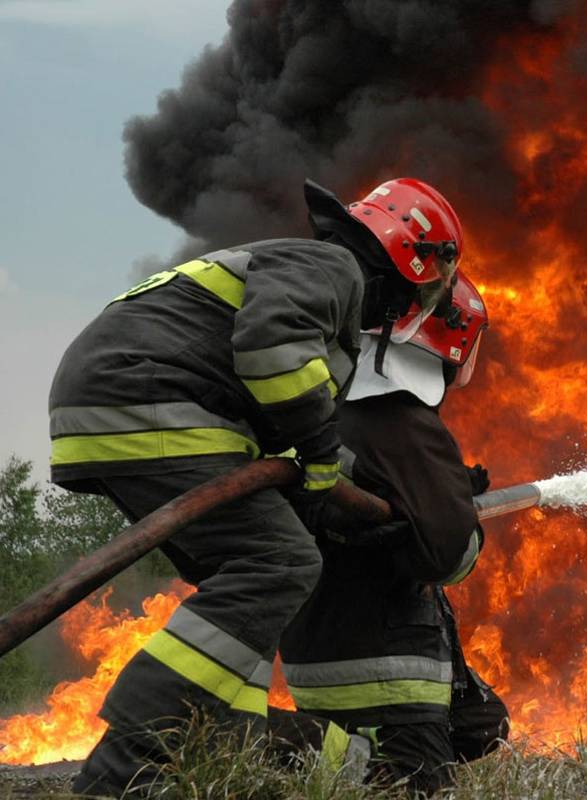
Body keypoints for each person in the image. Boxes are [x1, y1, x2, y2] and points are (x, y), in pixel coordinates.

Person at [49, 177, 465, 797]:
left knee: (244, 589)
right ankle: (127, 762)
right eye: (429, 286)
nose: (415, 304)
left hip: (121, 403)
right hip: (150, 397)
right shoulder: (332, 267)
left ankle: (212, 744)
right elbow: (273, 354)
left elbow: (275, 417)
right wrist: (325, 459)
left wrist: (340, 488)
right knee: (279, 562)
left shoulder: (304, 270)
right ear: (410, 259)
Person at [273, 272, 508, 793]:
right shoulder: (402, 420)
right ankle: (329, 758)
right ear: (453, 343)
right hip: (385, 669)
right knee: (412, 786)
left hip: (316, 654)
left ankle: (337, 758)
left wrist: (440, 495)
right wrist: (460, 518)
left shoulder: (327, 408)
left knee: (484, 724)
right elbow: (449, 556)